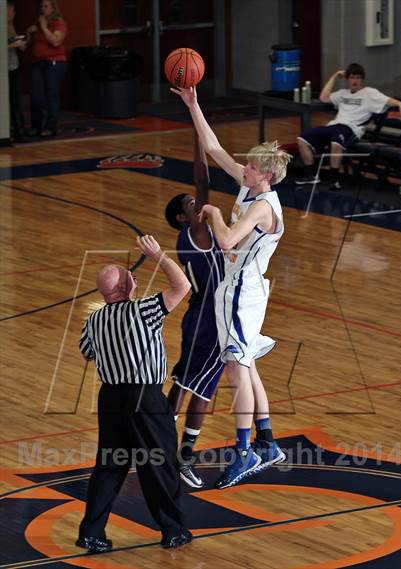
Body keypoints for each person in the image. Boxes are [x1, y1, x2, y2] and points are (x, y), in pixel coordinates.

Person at [171, 85, 289, 489]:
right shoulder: (251, 187)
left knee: (238, 374)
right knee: (249, 366)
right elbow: (214, 146)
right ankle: (268, 441)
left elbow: (225, 240)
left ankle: (245, 453)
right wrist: (194, 105)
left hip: (242, 292)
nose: (244, 168)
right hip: (246, 288)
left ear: (266, 175)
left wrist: (216, 213)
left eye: (252, 167)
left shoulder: (261, 206)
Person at [76, 235, 192, 553]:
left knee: (110, 466)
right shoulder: (143, 310)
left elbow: (88, 352)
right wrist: (158, 256)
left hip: (111, 398)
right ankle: (173, 530)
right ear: (127, 288)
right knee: (160, 462)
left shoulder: (95, 319)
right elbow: (182, 287)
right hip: (145, 398)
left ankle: (91, 532)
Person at [165, 130, 225, 489]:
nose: (197, 204)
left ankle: (159, 440)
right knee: (201, 390)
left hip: (198, 315)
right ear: (183, 219)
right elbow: (202, 179)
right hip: (210, 318)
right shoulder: (199, 232)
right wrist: (198, 130)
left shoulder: (189, 237)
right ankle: (184, 458)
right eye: (190, 204)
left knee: (183, 382)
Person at [295, 62, 401, 190]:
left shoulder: (369, 93)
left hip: (351, 128)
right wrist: (334, 77)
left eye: (358, 78)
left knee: (336, 142)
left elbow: (388, 100)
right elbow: (323, 98)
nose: (355, 81)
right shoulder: (342, 93)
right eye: (352, 78)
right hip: (335, 125)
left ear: (362, 79)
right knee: (303, 138)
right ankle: (311, 176)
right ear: (347, 80)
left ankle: (334, 179)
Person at [26, 0, 67, 137]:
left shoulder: (58, 22)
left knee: (52, 95)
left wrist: (44, 28)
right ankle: (35, 126)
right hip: (38, 62)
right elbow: (30, 44)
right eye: (41, 6)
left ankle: (51, 126)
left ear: (53, 8)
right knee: (36, 95)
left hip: (54, 62)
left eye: (46, 6)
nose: (43, 9)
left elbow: (56, 41)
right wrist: (29, 32)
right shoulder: (38, 23)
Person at [7, 1, 27, 143]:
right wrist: (15, 44)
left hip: (14, 66)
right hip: (5, 69)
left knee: (16, 101)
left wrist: (20, 43)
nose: (14, 13)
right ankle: (9, 131)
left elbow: (21, 48)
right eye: (12, 10)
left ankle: (19, 132)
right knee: (8, 101)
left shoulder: (11, 26)